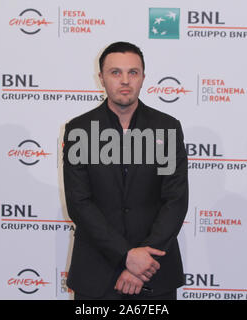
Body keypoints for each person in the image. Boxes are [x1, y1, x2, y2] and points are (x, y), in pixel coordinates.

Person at [62, 41, 188, 300]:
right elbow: (79, 203)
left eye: (133, 72)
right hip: (97, 274)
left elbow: (175, 200)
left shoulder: (167, 128)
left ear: (143, 78)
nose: (125, 80)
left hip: (155, 274)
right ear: (101, 78)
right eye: (115, 72)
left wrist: (142, 263)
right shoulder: (80, 130)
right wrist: (127, 255)